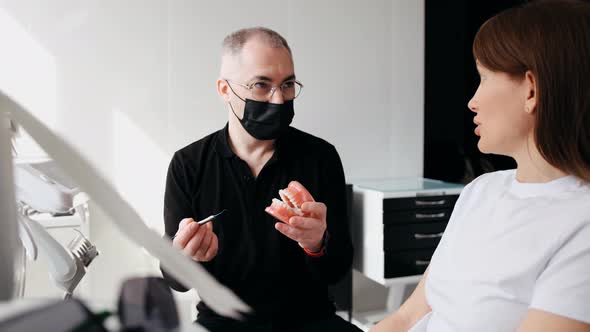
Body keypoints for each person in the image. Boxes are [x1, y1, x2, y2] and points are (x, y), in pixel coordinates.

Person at [371, 1, 590, 331]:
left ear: (531, 89)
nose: (472, 101)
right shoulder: (480, 190)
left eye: (484, 78)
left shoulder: (581, 221)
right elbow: (408, 315)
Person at [160, 27, 361, 332]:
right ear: (225, 90)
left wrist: (316, 243)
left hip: (309, 320)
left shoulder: (320, 157)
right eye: (261, 85)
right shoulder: (188, 164)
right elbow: (176, 282)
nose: (279, 99)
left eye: (288, 84)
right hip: (223, 323)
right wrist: (185, 257)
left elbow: (337, 271)